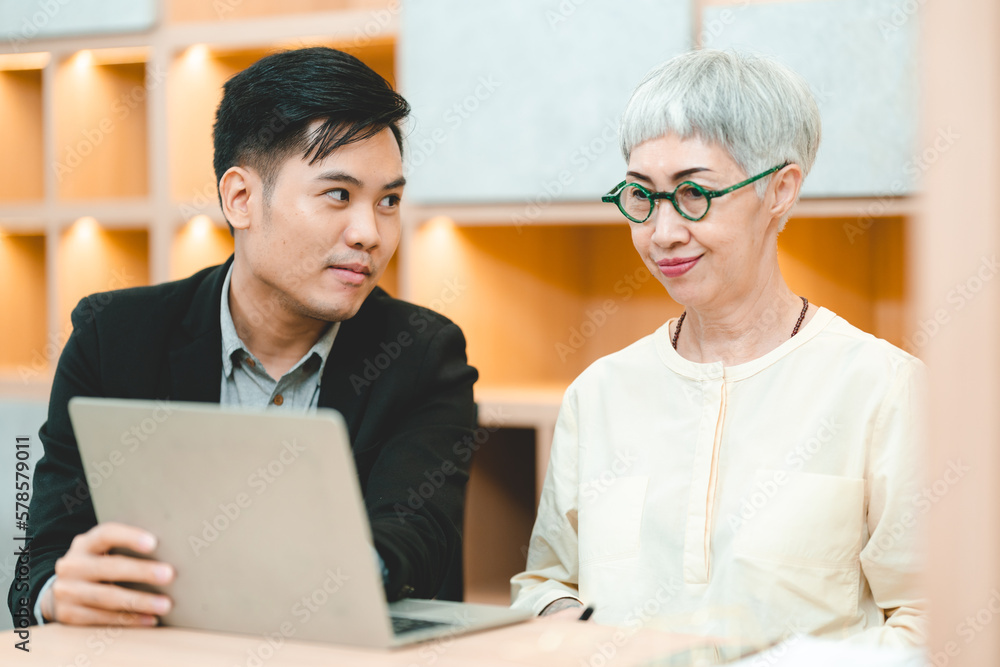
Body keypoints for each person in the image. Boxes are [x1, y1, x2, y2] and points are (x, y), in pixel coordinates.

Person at [10, 47, 477, 627]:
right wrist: (57, 592)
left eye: (388, 202)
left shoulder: (423, 354)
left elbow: (417, 538)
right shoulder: (114, 337)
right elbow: (38, 564)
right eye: (338, 195)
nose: (369, 233)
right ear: (240, 199)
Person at [511, 49, 925, 647]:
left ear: (780, 190)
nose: (663, 232)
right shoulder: (599, 392)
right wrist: (569, 625)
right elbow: (546, 583)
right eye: (641, 195)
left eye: (693, 194)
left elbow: (934, 625)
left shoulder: (882, 388)